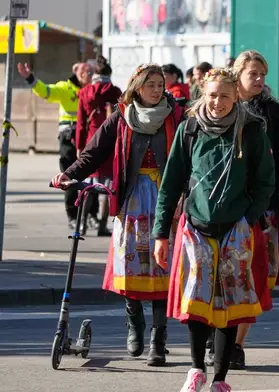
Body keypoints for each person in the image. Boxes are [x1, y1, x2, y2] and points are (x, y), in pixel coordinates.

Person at [51, 63, 184, 366]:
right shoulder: (121, 117)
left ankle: (158, 340)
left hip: (166, 201)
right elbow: (93, 152)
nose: (156, 89)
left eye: (159, 84)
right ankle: (134, 321)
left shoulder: (177, 116)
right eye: (149, 83)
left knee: (163, 266)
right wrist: (68, 176)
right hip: (132, 201)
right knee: (131, 263)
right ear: (137, 86)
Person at [153, 68, 275, 392]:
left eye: (224, 95)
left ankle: (220, 378)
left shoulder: (251, 131)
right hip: (195, 228)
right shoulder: (189, 129)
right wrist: (159, 234)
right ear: (202, 94)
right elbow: (170, 185)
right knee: (196, 302)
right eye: (211, 95)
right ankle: (195, 369)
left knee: (229, 305)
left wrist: (249, 219)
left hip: (235, 229)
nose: (217, 102)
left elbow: (265, 182)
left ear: (236, 95)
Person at [222, 50, 279, 370]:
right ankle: (219, 336)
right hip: (222, 207)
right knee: (220, 277)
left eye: (263, 74)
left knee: (254, 279)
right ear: (237, 74)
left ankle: (237, 344)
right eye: (253, 73)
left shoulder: (274, 114)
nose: (260, 80)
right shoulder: (221, 107)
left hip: (264, 208)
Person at [17, 61, 93, 228]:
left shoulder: (93, 89)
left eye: (90, 71)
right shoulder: (65, 88)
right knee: (69, 176)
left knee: (92, 175)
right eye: (84, 71)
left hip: (88, 136)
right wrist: (30, 78)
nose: (88, 74)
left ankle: (91, 215)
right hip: (69, 137)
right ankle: (73, 217)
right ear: (76, 72)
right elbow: (46, 92)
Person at [76, 55, 122, 237]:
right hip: (110, 141)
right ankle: (102, 226)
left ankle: (81, 226)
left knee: (87, 186)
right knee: (106, 186)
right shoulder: (116, 92)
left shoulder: (85, 92)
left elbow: (80, 123)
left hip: (91, 141)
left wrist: (80, 147)